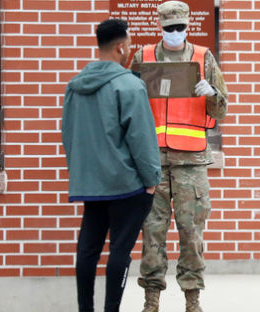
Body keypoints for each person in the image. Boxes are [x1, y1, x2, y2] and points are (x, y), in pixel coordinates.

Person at [130, 1, 228, 311]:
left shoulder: (203, 57)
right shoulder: (143, 57)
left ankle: (192, 299)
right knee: (152, 233)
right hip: (152, 161)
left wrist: (212, 93)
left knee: (192, 234)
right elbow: (127, 106)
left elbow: (222, 109)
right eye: (169, 28)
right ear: (160, 26)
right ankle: (151, 299)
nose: (175, 33)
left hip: (192, 162)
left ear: (188, 26)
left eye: (180, 27)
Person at [61, 19, 161, 312]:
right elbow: (142, 138)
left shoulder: (75, 86)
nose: (130, 49)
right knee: (120, 251)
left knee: (88, 250)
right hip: (126, 186)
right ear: (121, 47)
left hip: (90, 185)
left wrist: (82, 172)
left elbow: (68, 134)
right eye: (129, 44)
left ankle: (85, 309)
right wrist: (151, 178)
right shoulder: (130, 85)